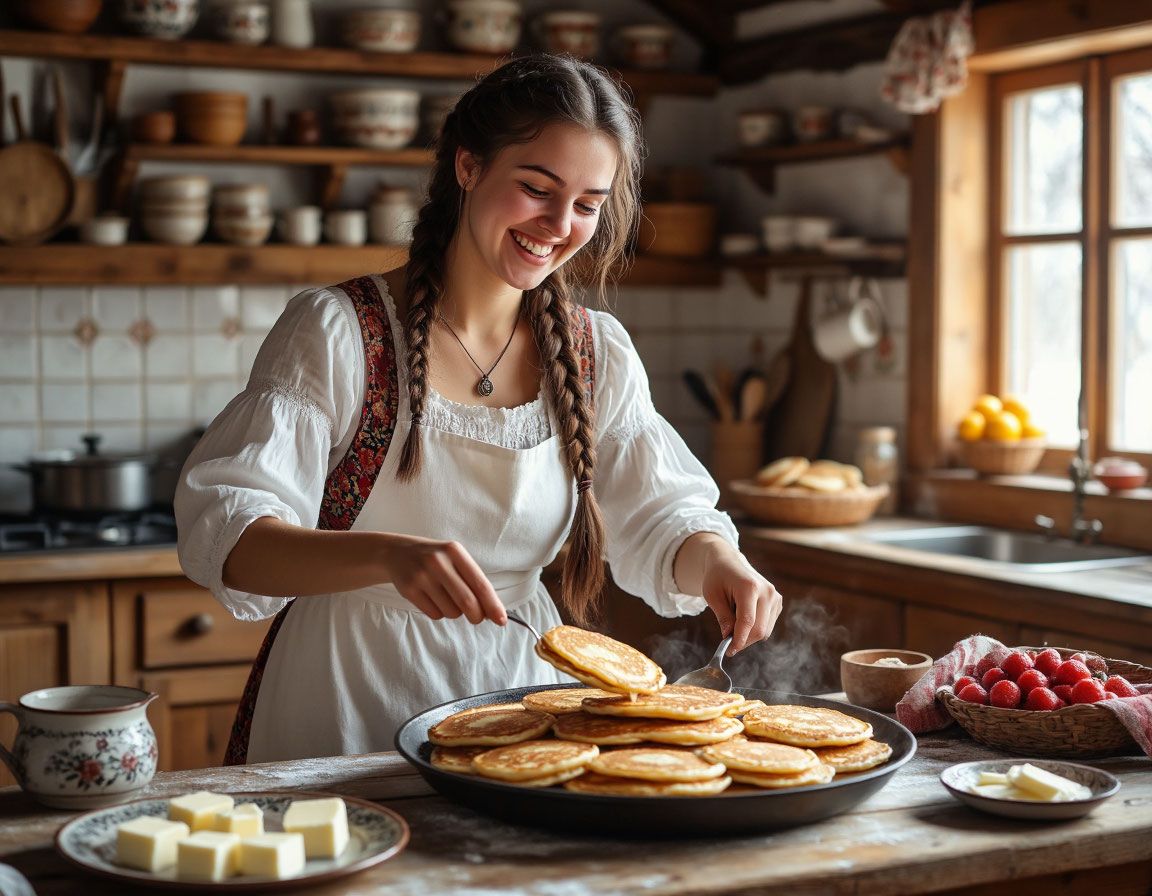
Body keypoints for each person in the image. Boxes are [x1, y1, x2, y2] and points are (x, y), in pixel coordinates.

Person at [175, 54, 783, 765]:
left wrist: (717, 561)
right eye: (536, 188)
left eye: (588, 204)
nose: (559, 225)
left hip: (516, 695)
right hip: (344, 694)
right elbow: (232, 538)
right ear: (468, 166)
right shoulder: (342, 332)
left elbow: (659, 516)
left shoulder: (595, 354)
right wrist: (385, 556)